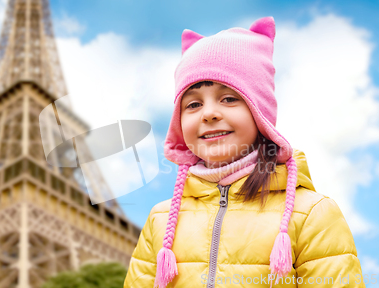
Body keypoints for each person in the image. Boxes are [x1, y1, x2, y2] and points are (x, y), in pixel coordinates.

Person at [124, 16, 365, 288]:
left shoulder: (312, 214)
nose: (210, 113)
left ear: (260, 112)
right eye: (192, 104)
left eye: (229, 98)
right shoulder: (161, 219)